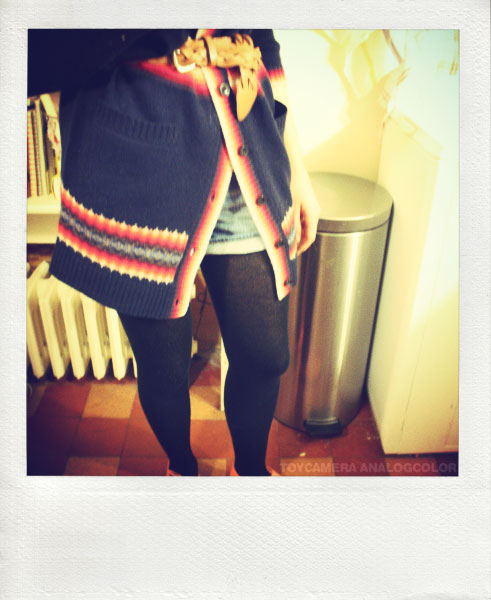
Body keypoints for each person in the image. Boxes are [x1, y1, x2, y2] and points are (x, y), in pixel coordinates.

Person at [28, 29, 320, 476]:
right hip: (137, 169)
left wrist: (298, 170)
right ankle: (182, 468)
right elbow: (42, 51)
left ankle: (249, 472)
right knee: (163, 370)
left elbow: (265, 45)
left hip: (245, 161)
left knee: (265, 355)